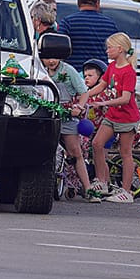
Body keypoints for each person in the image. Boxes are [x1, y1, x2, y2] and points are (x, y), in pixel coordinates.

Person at [86, 32, 139, 203]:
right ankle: (102, 181)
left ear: (120, 49)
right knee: (97, 143)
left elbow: (125, 98)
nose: (107, 51)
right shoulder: (112, 67)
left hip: (127, 118)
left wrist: (103, 104)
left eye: (110, 47)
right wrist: (85, 94)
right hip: (112, 116)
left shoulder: (129, 72)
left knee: (125, 153)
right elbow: (101, 85)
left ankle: (127, 191)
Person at [44, 46, 91, 200]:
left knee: (75, 152)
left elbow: (84, 92)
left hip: (67, 114)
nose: (51, 61)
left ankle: (88, 189)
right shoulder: (38, 68)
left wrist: (79, 106)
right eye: (47, 57)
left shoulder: (68, 70)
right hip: (46, 113)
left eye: (55, 57)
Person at [58, 0, 118, 75]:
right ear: (97, 3)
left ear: (78, 3)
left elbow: (59, 50)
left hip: (73, 76)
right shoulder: (110, 25)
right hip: (102, 77)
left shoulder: (67, 23)